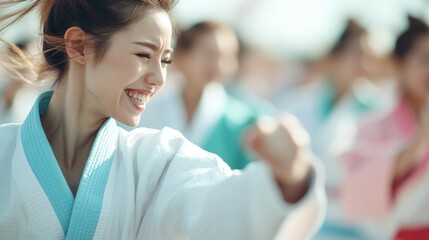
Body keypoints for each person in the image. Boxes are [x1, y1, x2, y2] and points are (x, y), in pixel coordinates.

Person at [0, 1, 325, 239]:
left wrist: (286, 180)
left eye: (166, 60)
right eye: (144, 55)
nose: (158, 78)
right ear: (78, 45)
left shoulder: (160, 160)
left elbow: (220, 210)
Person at [274, 19, 389, 239]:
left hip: (356, 224)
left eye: (369, 56)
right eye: (357, 54)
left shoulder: (379, 109)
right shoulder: (297, 103)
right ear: (335, 57)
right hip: (300, 218)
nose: (363, 64)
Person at [137, 21, 276, 169]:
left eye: (227, 57)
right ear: (182, 56)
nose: (218, 65)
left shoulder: (244, 122)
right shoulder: (147, 111)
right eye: (209, 54)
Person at [339, 16, 429, 240]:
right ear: (398, 65)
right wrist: (422, 135)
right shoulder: (371, 125)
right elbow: (360, 186)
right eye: (425, 60)